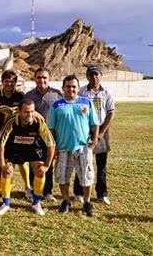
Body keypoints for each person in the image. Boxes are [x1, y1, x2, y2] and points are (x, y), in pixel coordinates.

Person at [48, 75, 99, 217]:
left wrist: (94, 141)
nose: (71, 89)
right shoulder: (56, 106)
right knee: (63, 177)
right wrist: (54, 146)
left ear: (78, 88)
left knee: (86, 176)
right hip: (63, 148)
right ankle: (65, 200)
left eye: (74, 86)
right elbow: (50, 129)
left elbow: (94, 124)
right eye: (68, 86)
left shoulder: (86, 103)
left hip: (83, 147)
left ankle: (87, 202)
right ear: (63, 88)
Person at [0, 99, 55, 215]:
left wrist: (47, 165)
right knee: (7, 171)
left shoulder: (39, 122)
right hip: (14, 149)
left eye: (32, 111)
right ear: (19, 112)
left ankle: (36, 203)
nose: (30, 115)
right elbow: (0, 143)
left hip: (32, 149)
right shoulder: (12, 121)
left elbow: (51, 143)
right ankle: (6, 203)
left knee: (40, 171)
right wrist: (3, 164)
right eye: (26, 112)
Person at [73, 65, 115, 205]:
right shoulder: (82, 92)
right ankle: (78, 192)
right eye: (91, 74)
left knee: (101, 165)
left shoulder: (106, 93)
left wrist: (101, 132)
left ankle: (102, 194)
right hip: (85, 131)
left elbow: (110, 112)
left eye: (96, 74)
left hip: (102, 130)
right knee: (82, 162)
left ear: (101, 76)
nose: (94, 77)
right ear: (87, 76)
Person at [0, 70, 33, 202]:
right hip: (1, 133)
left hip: (18, 133)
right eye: (6, 81)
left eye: (12, 81)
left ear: (16, 83)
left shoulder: (21, 96)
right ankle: (2, 190)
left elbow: (29, 110)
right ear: (2, 82)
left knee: (22, 162)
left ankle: (27, 187)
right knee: (3, 163)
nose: (9, 84)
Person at [25, 67, 62, 202]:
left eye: (44, 77)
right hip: (33, 134)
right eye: (39, 77)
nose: (42, 80)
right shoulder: (29, 96)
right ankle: (34, 190)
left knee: (48, 163)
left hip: (51, 134)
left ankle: (47, 191)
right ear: (35, 79)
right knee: (32, 163)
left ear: (49, 79)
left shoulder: (57, 94)